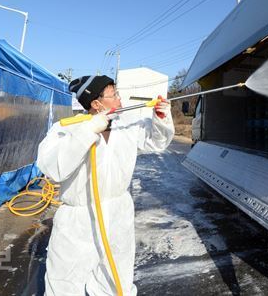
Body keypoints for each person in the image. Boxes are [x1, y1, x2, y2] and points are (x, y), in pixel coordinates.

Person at [38, 74, 174, 296]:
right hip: (79, 220)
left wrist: (160, 117)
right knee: (65, 279)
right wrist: (88, 131)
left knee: (116, 273)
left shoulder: (126, 125)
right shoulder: (67, 129)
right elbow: (53, 167)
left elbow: (157, 141)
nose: (120, 100)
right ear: (96, 103)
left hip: (118, 212)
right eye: (114, 95)